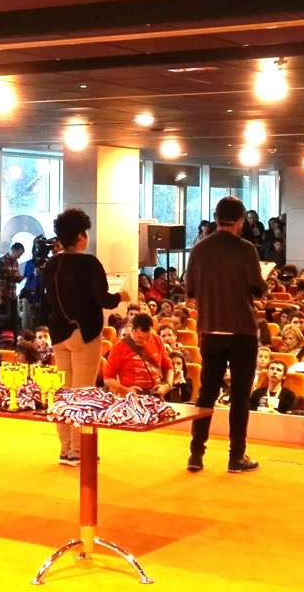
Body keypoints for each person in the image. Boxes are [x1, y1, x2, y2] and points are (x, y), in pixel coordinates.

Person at [186, 196, 267, 474]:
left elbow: (190, 290)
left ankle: (196, 454)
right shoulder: (245, 249)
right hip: (241, 329)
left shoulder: (199, 249)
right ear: (240, 221)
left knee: (206, 394)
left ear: (216, 218)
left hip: (210, 328)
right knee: (240, 396)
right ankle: (236, 456)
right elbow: (258, 287)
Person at [44, 208, 127, 467]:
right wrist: (120, 297)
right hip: (85, 333)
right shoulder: (89, 263)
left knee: (63, 392)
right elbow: (103, 298)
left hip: (59, 333)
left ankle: (65, 448)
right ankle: (79, 449)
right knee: (82, 392)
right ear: (80, 235)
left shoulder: (51, 264)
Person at [103, 313, 171, 396]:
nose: (145, 342)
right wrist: (126, 390)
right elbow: (108, 379)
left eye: (148, 337)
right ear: (132, 330)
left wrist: (167, 386)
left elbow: (169, 368)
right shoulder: (119, 348)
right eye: (140, 338)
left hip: (155, 395)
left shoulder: (157, 340)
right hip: (131, 397)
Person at [0, 241, 24, 329]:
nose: (19, 256)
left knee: (14, 320)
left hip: (13, 294)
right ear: (13, 250)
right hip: (3, 295)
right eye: (19, 254)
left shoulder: (16, 262)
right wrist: (10, 276)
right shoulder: (1, 261)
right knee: (4, 321)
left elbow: (15, 277)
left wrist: (20, 277)